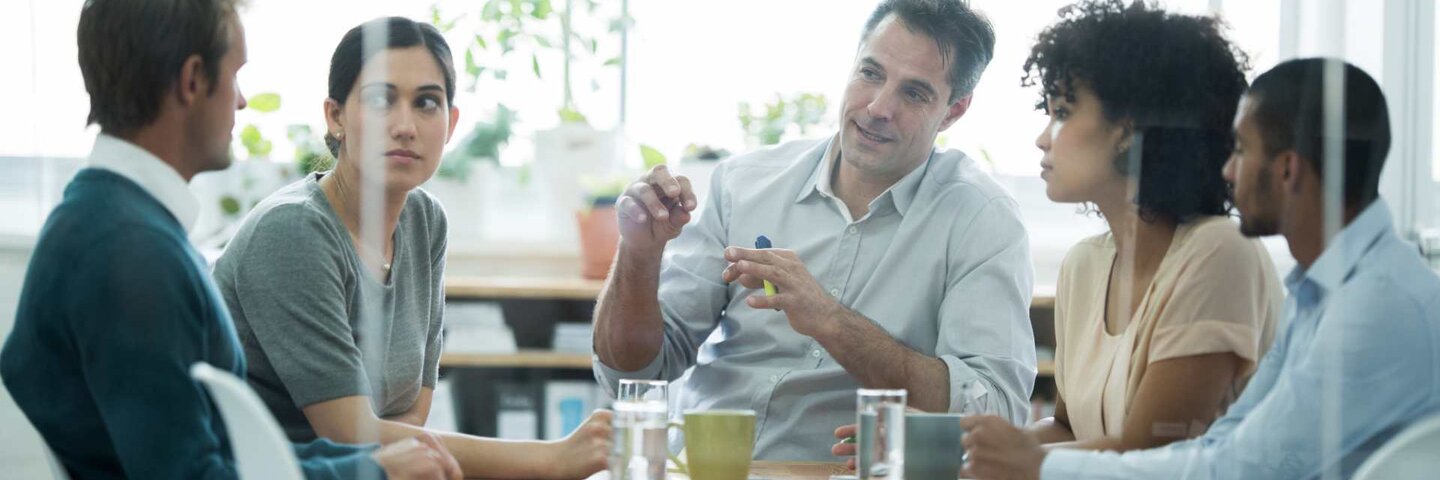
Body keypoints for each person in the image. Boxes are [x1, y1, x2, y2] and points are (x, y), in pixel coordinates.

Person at [0, 1, 459, 479]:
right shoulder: (129, 254)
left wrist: (371, 464)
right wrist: (371, 473)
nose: (241, 101)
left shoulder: (116, 222)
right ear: (194, 80)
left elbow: (225, 454)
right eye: (235, 75)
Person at [593, 0, 1036, 460]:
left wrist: (831, 321)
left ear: (953, 112)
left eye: (915, 94)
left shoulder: (982, 219)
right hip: (707, 469)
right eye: (871, 73)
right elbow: (635, 372)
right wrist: (638, 256)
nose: (879, 107)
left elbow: (995, 415)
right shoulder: (744, 184)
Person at [961, 58, 1440, 480]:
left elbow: (1240, 470)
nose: (1227, 171)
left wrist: (1039, 467)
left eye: (1240, 151)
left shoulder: (1374, 306)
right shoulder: (1326, 292)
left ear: (1288, 170)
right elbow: (1222, 446)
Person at [212, 16, 611, 479]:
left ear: (451, 123)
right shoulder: (293, 230)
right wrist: (552, 459)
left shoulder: (425, 221)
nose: (405, 126)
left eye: (426, 103)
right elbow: (352, 434)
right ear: (335, 116)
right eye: (382, 100)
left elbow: (409, 415)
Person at [1019, 0, 1281, 451]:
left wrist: (992, 463)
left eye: (1062, 112)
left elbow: (1149, 457)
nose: (1042, 137)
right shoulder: (1083, 266)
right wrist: (963, 451)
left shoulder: (1221, 252)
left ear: (1127, 128)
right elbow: (1068, 429)